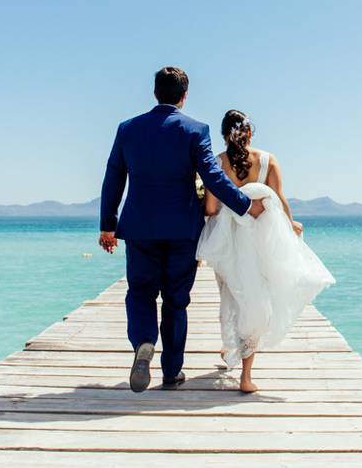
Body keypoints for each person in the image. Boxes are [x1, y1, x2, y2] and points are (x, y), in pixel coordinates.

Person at [99, 67, 265, 393]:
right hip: (182, 229)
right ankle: (171, 372)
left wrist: (108, 225)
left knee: (141, 292)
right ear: (184, 96)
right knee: (176, 301)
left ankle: (144, 343)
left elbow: (113, 177)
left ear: (155, 92)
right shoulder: (194, 130)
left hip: (140, 227)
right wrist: (247, 206)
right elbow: (214, 177)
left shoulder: (128, 129)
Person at [198, 109, 336, 392]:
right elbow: (279, 200)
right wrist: (290, 224)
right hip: (259, 238)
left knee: (232, 296)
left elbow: (211, 209)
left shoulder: (217, 162)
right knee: (255, 298)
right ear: (249, 133)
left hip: (227, 242)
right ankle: (246, 376)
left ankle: (230, 346)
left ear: (225, 135)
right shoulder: (268, 161)